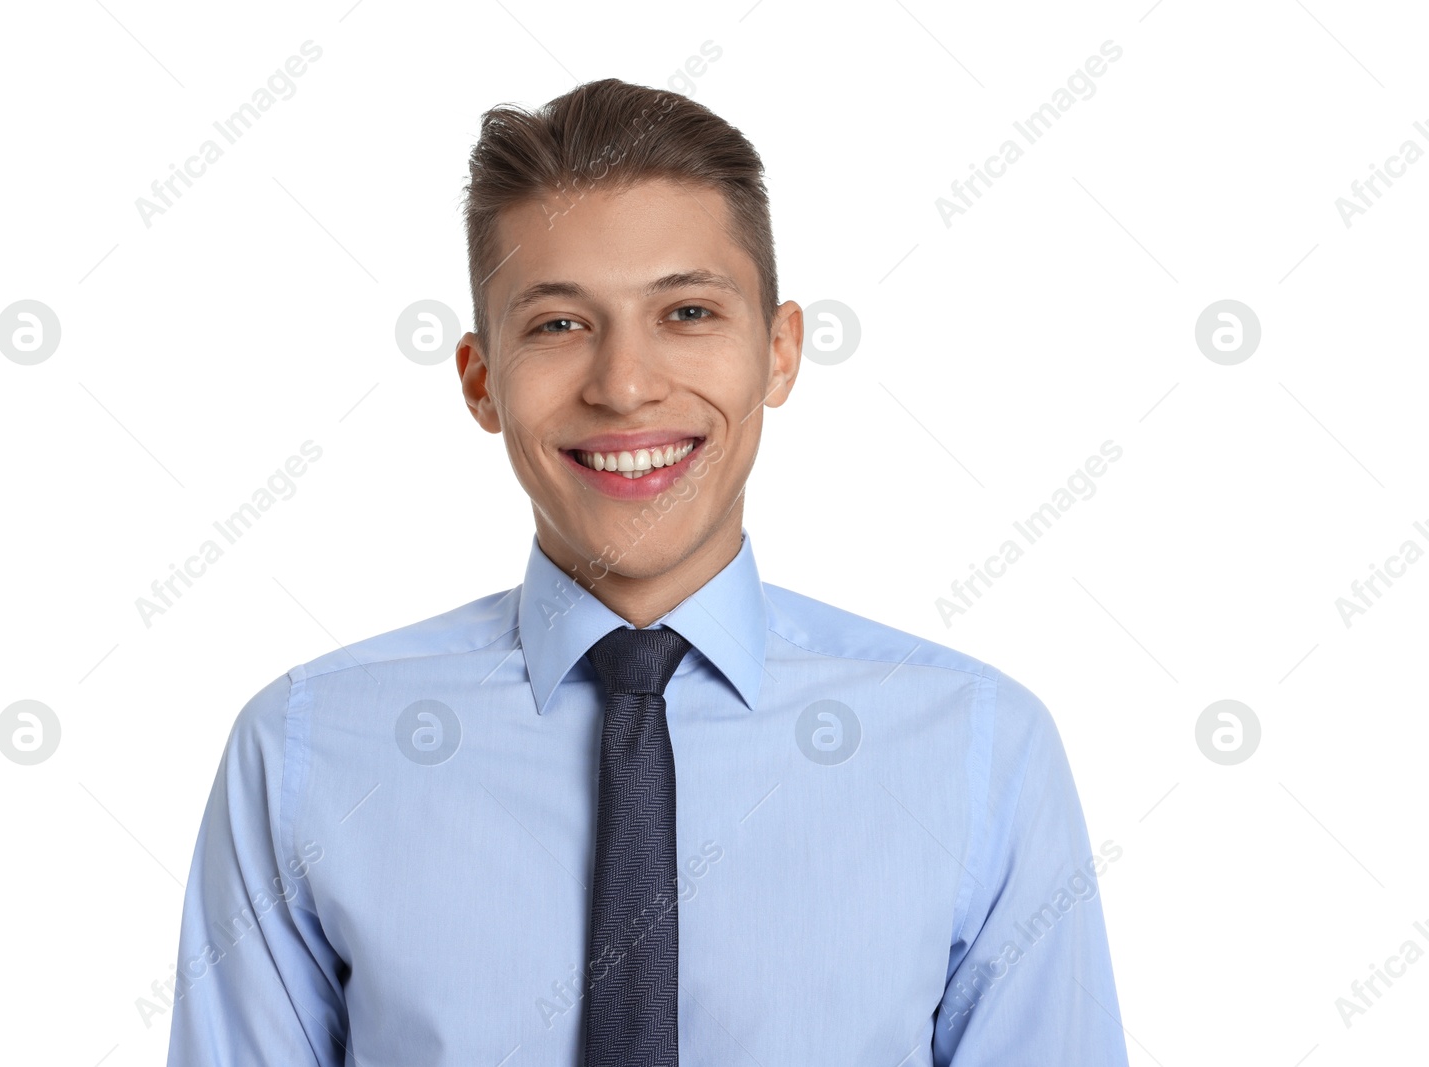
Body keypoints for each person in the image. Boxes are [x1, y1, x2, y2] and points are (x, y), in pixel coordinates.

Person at [164, 77, 1129, 1066]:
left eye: (688, 311)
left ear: (779, 351)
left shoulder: (976, 750)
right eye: (557, 324)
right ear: (480, 379)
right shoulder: (306, 751)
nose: (624, 385)